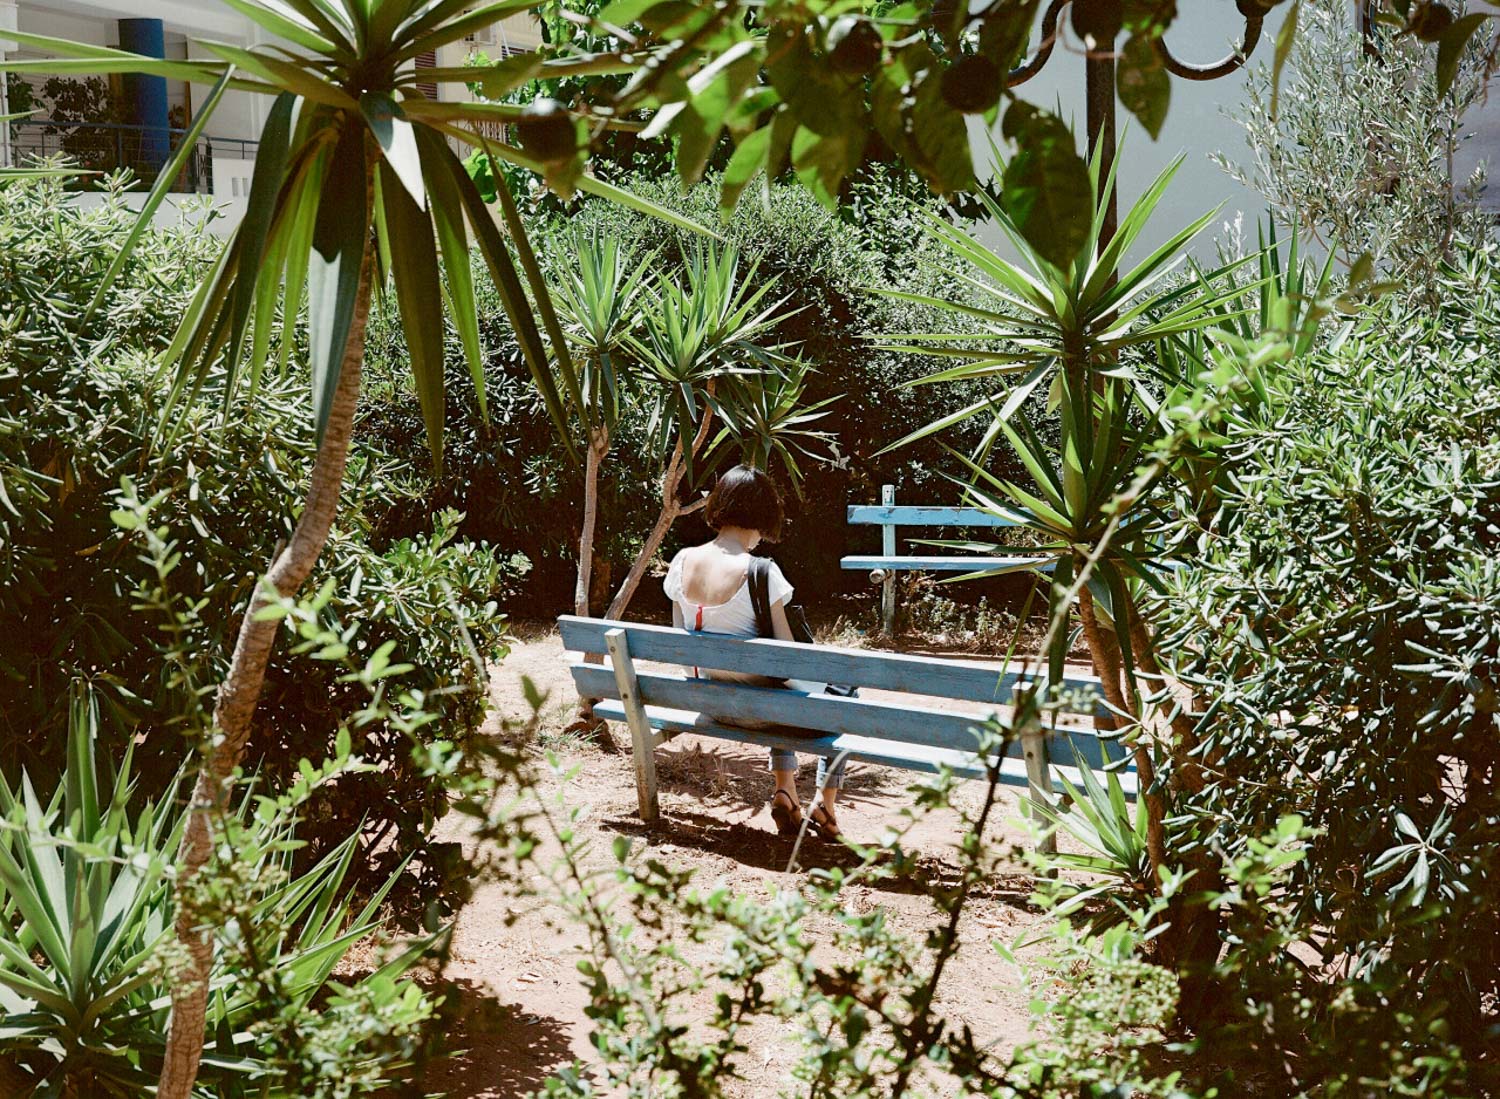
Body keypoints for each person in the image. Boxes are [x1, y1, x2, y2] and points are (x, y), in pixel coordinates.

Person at [663, 465, 845, 839]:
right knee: (844, 692)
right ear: (763, 514)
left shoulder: (682, 561)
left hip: (711, 704)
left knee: (772, 693)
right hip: (761, 713)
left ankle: (786, 791)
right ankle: (825, 807)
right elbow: (787, 663)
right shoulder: (761, 571)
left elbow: (683, 646)